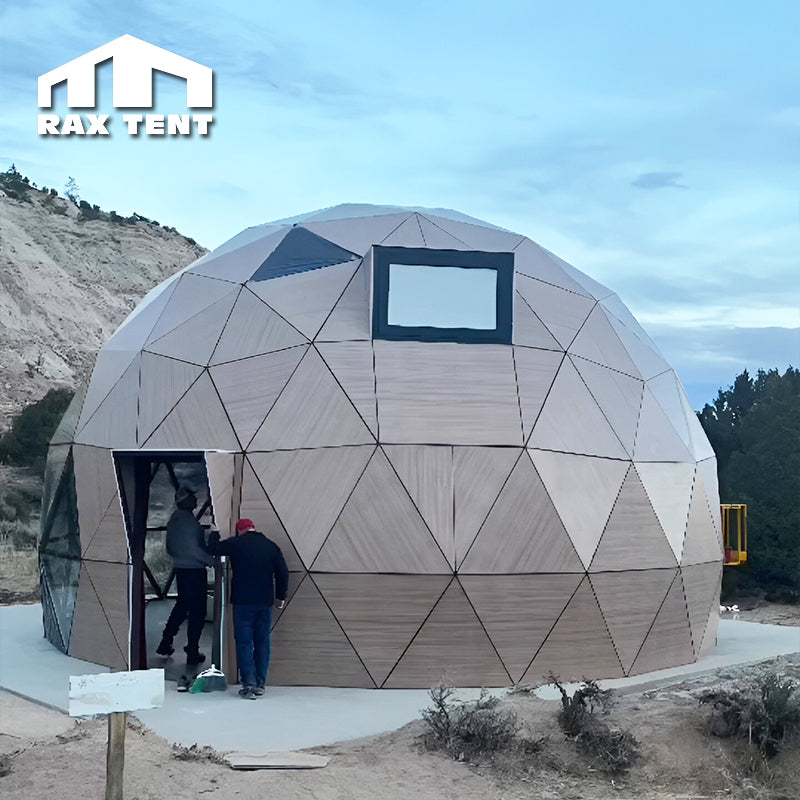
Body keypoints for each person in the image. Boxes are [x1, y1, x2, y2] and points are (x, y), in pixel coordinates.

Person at [208, 518, 288, 699]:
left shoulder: (236, 544)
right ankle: (260, 684)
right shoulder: (271, 546)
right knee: (262, 642)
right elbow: (283, 572)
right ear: (254, 528)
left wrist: (214, 532)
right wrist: (281, 597)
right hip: (264, 602)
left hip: (243, 602)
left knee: (244, 643)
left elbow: (213, 549)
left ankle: (248, 683)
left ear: (239, 531)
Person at [156, 486, 214, 665]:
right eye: (192, 497)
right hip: (195, 572)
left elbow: (170, 548)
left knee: (181, 607)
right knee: (197, 611)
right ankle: (192, 650)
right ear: (186, 501)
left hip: (181, 570)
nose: (196, 500)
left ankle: (166, 641)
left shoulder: (174, 521)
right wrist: (212, 562)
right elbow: (194, 549)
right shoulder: (189, 523)